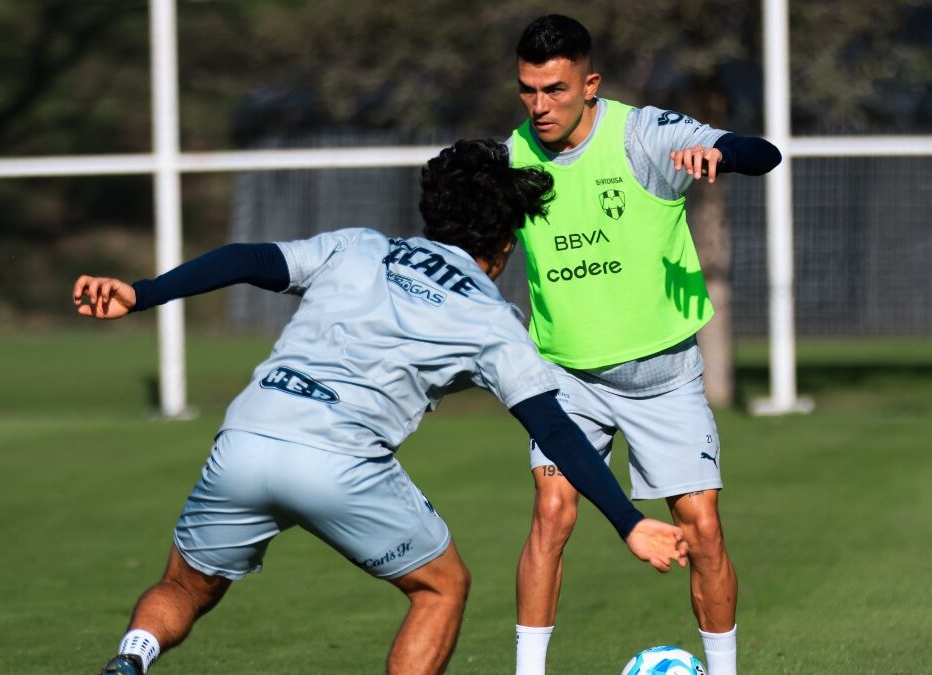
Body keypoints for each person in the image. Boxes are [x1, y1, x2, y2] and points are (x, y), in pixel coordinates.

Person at [74, 139, 689, 675]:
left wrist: (143, 293)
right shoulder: (493, 322)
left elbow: (247, 258)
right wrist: (627, 520)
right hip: (341, 463)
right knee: (442, 587)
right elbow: (554, 428)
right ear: (505, 245)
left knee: (185, 584)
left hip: (249, 434)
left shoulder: (357, 246)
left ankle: (132, 658)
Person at [506, 15, 782, 675]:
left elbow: (763, 152)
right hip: (565, 376)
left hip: (664, 377)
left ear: (590, 83)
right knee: (552, 511)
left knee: (705, 531)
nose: (540, 105)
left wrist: (722, 154)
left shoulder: (646, 135)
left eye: (556, 89)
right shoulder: (511, 159)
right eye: (528, 90)